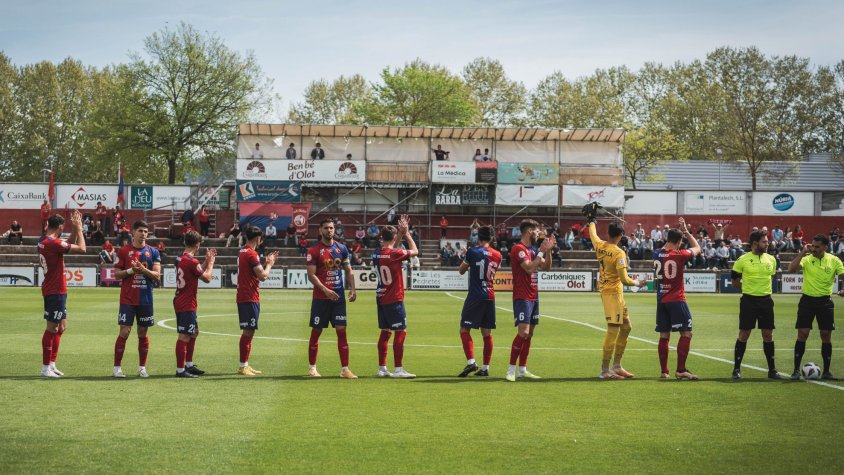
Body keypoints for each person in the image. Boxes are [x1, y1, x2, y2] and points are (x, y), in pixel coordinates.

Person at [586, 213, 647, 380]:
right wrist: (638, 283)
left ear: (609, 233)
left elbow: (593, 234)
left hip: (613, 293)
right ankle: (605, 370)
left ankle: (617, 366)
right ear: (620, 236)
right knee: (613, 329)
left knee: (626, 327)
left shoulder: (600, 245)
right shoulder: (619, 253)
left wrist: (591, 220)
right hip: (612, 294)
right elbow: (624, 279)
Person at [306, 219, 358, 379]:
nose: (329, 230)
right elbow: (311, 275)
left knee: (342, 332)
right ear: (320, 230)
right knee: (316, 332)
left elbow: (348, 270)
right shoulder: (313, 251)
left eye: (331, 228)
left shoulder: (342, 249)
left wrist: (353, 289)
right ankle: (312, 368)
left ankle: (345, 369)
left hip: (338, 299)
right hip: (321, 298)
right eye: (326, 228)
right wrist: (325, 290)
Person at [787, 234, 844, 380]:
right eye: (812, 246)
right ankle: (795, 371)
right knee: (803, 334)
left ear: (825, 247)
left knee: (826, 335)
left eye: (817, 246)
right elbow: (791, 270)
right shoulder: (806, 259)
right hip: (807, 301)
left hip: (825, 302)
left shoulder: (834, 260)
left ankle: (826, 372)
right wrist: (802, 252)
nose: (814, 249)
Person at [37, 211, 86, 377]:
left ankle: (51, 364)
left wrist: (73, 229)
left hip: (58, 289)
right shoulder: (52, 243)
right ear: (59, 227)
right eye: (63, 227)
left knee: (61, 327)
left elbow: (67, 243)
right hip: (54, 290)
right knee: (52, 327)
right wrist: (79, 229)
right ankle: (45, 368)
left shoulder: (47, 242)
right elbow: (82, 248)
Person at [505, 219, 556, 382]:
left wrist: (548, 251)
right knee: (523, 332)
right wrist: (541, 251)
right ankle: (511, 369)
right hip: (522, 296)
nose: (538, 234)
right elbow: (528, 269)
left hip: (534, 296)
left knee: (530, 334)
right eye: (536, 231)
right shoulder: (518, 249)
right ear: (528, 232)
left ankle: (522, 369)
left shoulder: (533, 250)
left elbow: (546, 268)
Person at [653, 218, 702, 380]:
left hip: (661, 300)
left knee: (664, 336)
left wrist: (679, 234)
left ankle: (663, 371)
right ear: (680, 241)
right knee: (686, 333)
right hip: (676, 299)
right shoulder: (680, 255)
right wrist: (687, 233)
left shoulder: (656, 253)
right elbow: (697, 248)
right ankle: (681, 370)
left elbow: (665, 248)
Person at [372, 215, 419, 378]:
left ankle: (382, 368)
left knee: (385, 332)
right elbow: (415, 251)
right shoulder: (394, 254)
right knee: (401, 331)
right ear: (393, 238)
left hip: (381, 296)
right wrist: (407, 234)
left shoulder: (377, 253)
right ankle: (398, 369)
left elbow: (392, 247)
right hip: (394, 297)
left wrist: (399, 232)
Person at [113, 220, 161, 378]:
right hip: (127, 299)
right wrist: (131, 270)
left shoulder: (153, 252)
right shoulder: (123, 250)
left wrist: (142, 269)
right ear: (133, 232)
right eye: (140, 231)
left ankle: (142, 368)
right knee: (124, 332)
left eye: (146, 231)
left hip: (146, 299)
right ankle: (117, 368)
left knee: (142, 332)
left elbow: (157, 276)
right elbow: (117, 274)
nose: (143, 234)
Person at [730, 231, 780, 380]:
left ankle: (772, 370)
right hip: (748, 301)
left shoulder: (771, 259)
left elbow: (771, 276)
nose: (767, 243)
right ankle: (736, 369)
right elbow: (735, 282)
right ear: (755, 243)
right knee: (744, 334)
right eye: (764, 241)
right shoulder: (742, 260)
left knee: (768, 335)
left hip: (766, 301)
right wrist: (748, 290)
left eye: (767, 241)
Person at [457, 226, 501, 377]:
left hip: (476, 295)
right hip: (490, 295)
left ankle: (471, 362)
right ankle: (485, 367)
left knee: (464, 329)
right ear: (491, 238)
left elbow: (461, 270)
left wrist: (465, 255)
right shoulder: (498, 255)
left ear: (478, 238)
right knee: (486, 333)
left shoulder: (473, 251)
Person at [173, 231, 217, 378]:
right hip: (186, 303)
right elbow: (207, 278)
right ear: (198, 245)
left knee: (194, 332)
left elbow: (196, 272)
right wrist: (211, 263)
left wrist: (205, 261)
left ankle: (189, 365)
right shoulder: (191, 261)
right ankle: (180, 370)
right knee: (184, 336)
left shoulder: (180, 258)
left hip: (183, 300)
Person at [236, 226, 279, 376]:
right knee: (248, 331)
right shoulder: (251, 254)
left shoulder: (243, 251)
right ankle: (242, 366)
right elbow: (263, 276)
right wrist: (270, 264)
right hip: (248, 296)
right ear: (258, 239)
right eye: (261, 238)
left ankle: (245, 364)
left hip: (247, 295)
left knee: (250, 331)